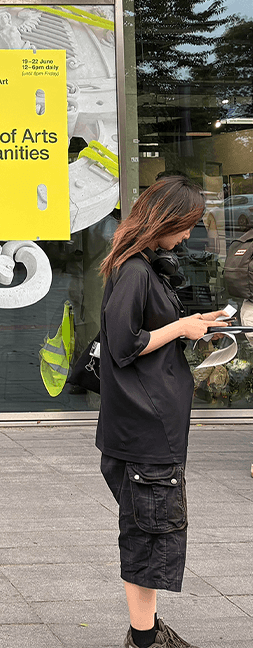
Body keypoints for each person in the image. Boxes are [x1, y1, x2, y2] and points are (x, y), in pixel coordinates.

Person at [97, 176, 230, 648]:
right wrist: (180, 328)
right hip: (145, 433)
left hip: (148, 430)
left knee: (152, 533)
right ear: (165, 220)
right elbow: (123, 345)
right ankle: (145, 639)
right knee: (151, 537)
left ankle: (146, 633)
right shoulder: (134, 271)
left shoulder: (141, 267)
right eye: (187, 225)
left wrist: (196, 328)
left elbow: (148, 333)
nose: (189, 236)